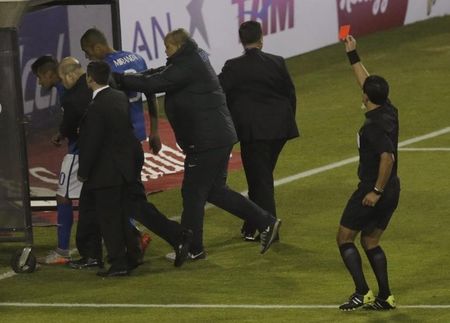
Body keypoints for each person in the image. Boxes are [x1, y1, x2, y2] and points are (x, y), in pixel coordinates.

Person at [114, 28, 281, 260]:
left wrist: (120, 79)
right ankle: (266, 222)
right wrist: (132, 79)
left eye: (168, 47)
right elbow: (159, 74)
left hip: (207, 140)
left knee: (193, 193)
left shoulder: (187, 65)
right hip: (215, 136)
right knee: (215, 191)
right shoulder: (189, 59)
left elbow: (156, 83)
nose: (165, 51)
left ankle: (193, 247)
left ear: (179, 46)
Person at [78, 61, 192, 276]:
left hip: (109, 170)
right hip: (128, 164)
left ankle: (123, 260)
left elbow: (93, 143)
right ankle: (155, 245)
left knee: (115, 214)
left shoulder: (96, 107)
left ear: (90, 78)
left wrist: (83, 172)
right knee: (131, 208)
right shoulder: (118, 97)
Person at [80, 28, 158, 263]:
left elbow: (108, 105)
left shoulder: (107, 70)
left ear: (95, 47)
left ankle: (134, 239)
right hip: (139, 133)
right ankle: (134, 238)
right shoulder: (136, 57)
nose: (88, 58)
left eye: (87, 52)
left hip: (120, 139)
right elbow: (151, 92)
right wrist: (154, 129)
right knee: (132, 188)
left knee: (119, 193)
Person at [218, 21, 299, 241]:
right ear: (261, 38)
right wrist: (286, 120)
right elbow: (291, 95)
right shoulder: (277, 62)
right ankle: (252, 224)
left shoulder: (233, 67)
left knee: (260, 180)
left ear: (241, 40)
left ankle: (269, 227)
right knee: (260, 177)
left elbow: (218, 95)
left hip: (253, 133)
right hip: (280, 130)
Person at [337, 35, 400, 311]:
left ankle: (362, 292)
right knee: (370, 240)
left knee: (344, 237)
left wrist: (375, 191)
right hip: (393, 188)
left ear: (366, 98)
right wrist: (353, 55)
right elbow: (366, 83)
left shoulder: (373, 127)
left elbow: (388, 157)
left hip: (372, 190)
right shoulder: (389, 109)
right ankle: (385, 296)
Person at [32, 56, 77, 264]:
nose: (40, 82)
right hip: (88, 148)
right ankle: (132, 236)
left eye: (40, 77)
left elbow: (75, 117)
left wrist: (62, 133)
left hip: (78, 151)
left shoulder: (66, 90)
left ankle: (62, 251)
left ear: (50, 74)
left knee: (63, 197)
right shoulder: (66, 89)